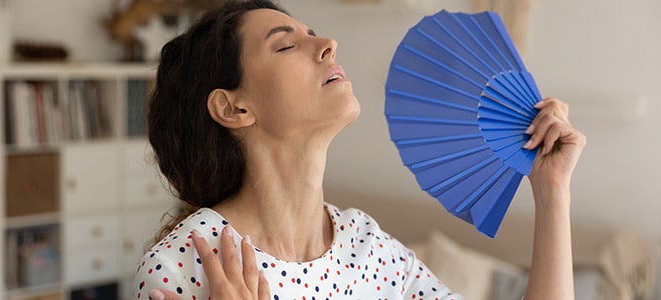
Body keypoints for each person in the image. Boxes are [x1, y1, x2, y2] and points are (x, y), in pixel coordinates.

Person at [133, 0, 586, 299]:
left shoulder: (367, 249)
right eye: (287, 44)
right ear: (233, 107)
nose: (328, 45)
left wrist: (551, 191)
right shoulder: (185, 265)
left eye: (312, 34)